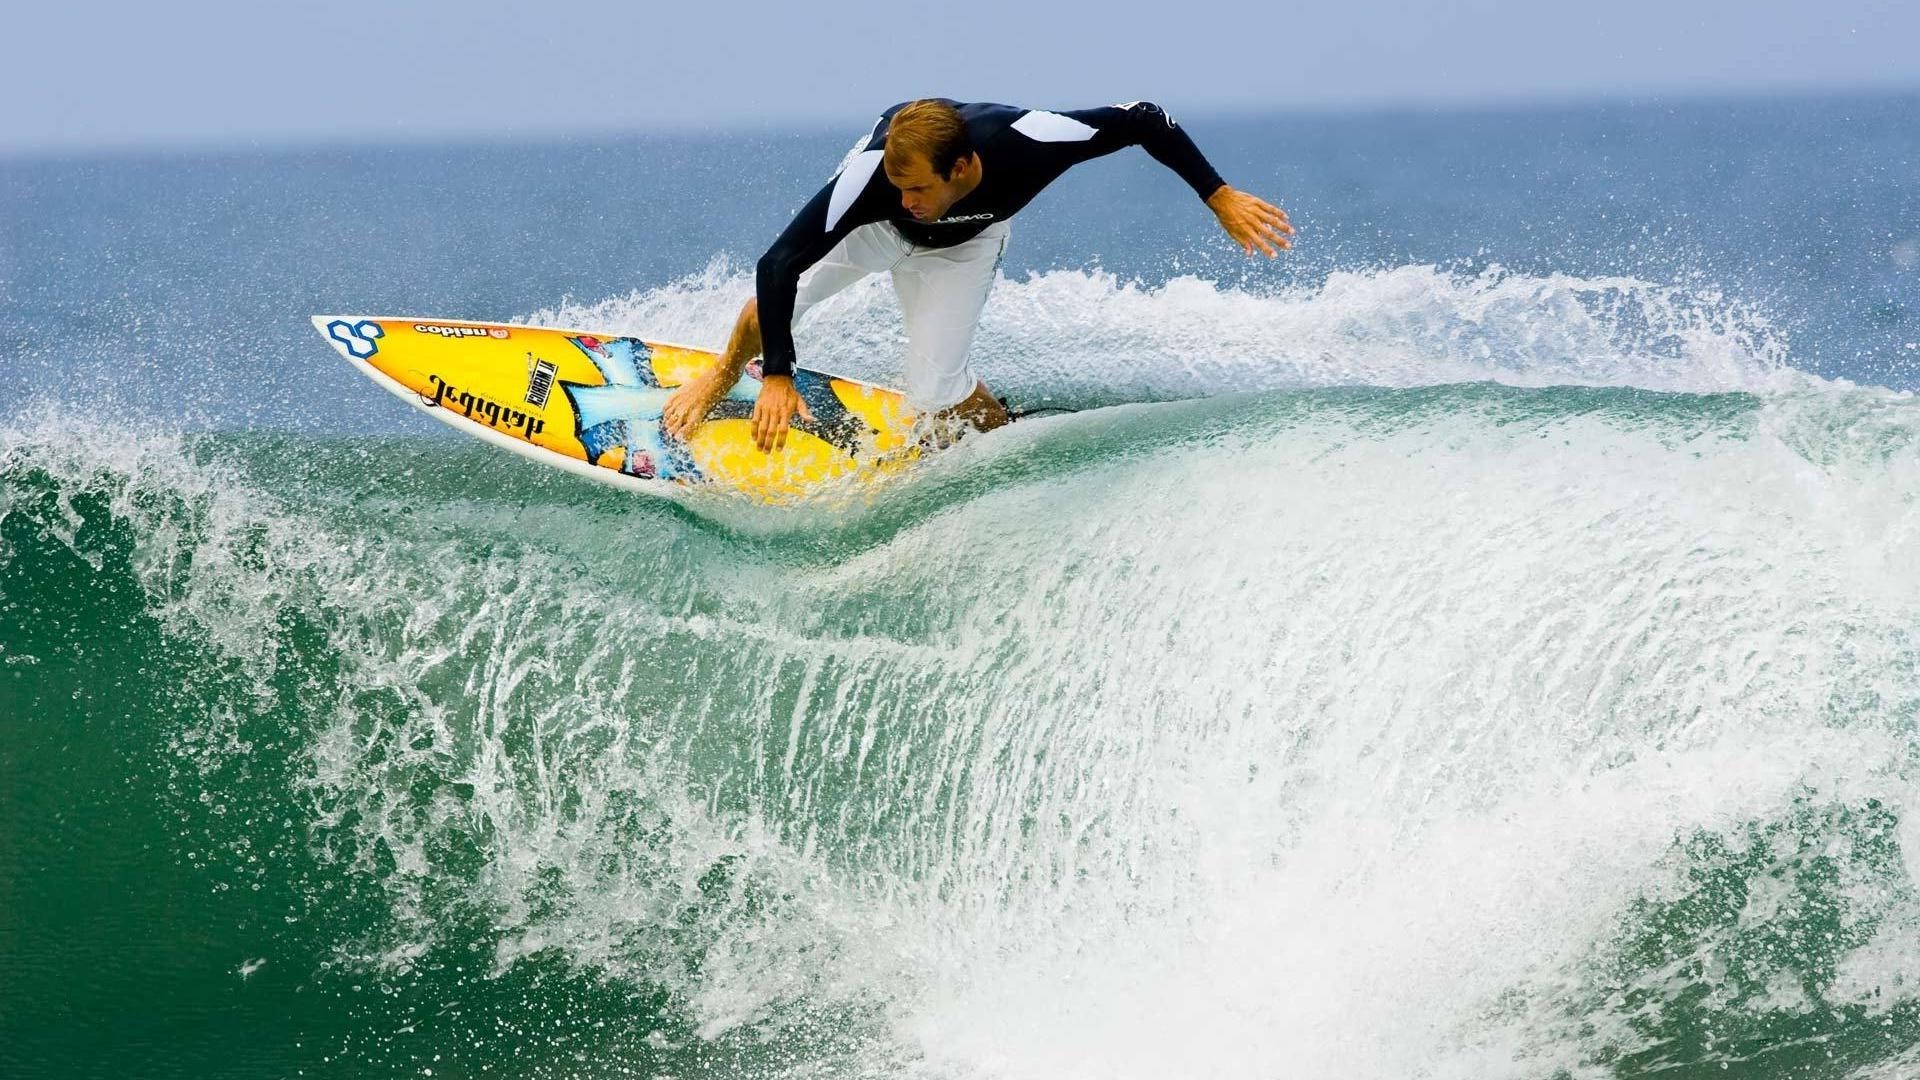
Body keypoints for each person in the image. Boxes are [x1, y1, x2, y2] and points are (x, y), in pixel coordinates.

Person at [660, 98, 1293, 452]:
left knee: (939, 391)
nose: (905, 195)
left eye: (917, 187)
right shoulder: (873, 186)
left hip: (964, 245)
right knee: (763, 315)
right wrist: (774, 377)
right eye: (897, 184)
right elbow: (776, 264)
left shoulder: (1027, 140)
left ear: (962, 167)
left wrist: (1218, 194)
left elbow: (1141, 118)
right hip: (871, 235)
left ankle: (1002, 436)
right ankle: (720, 379)